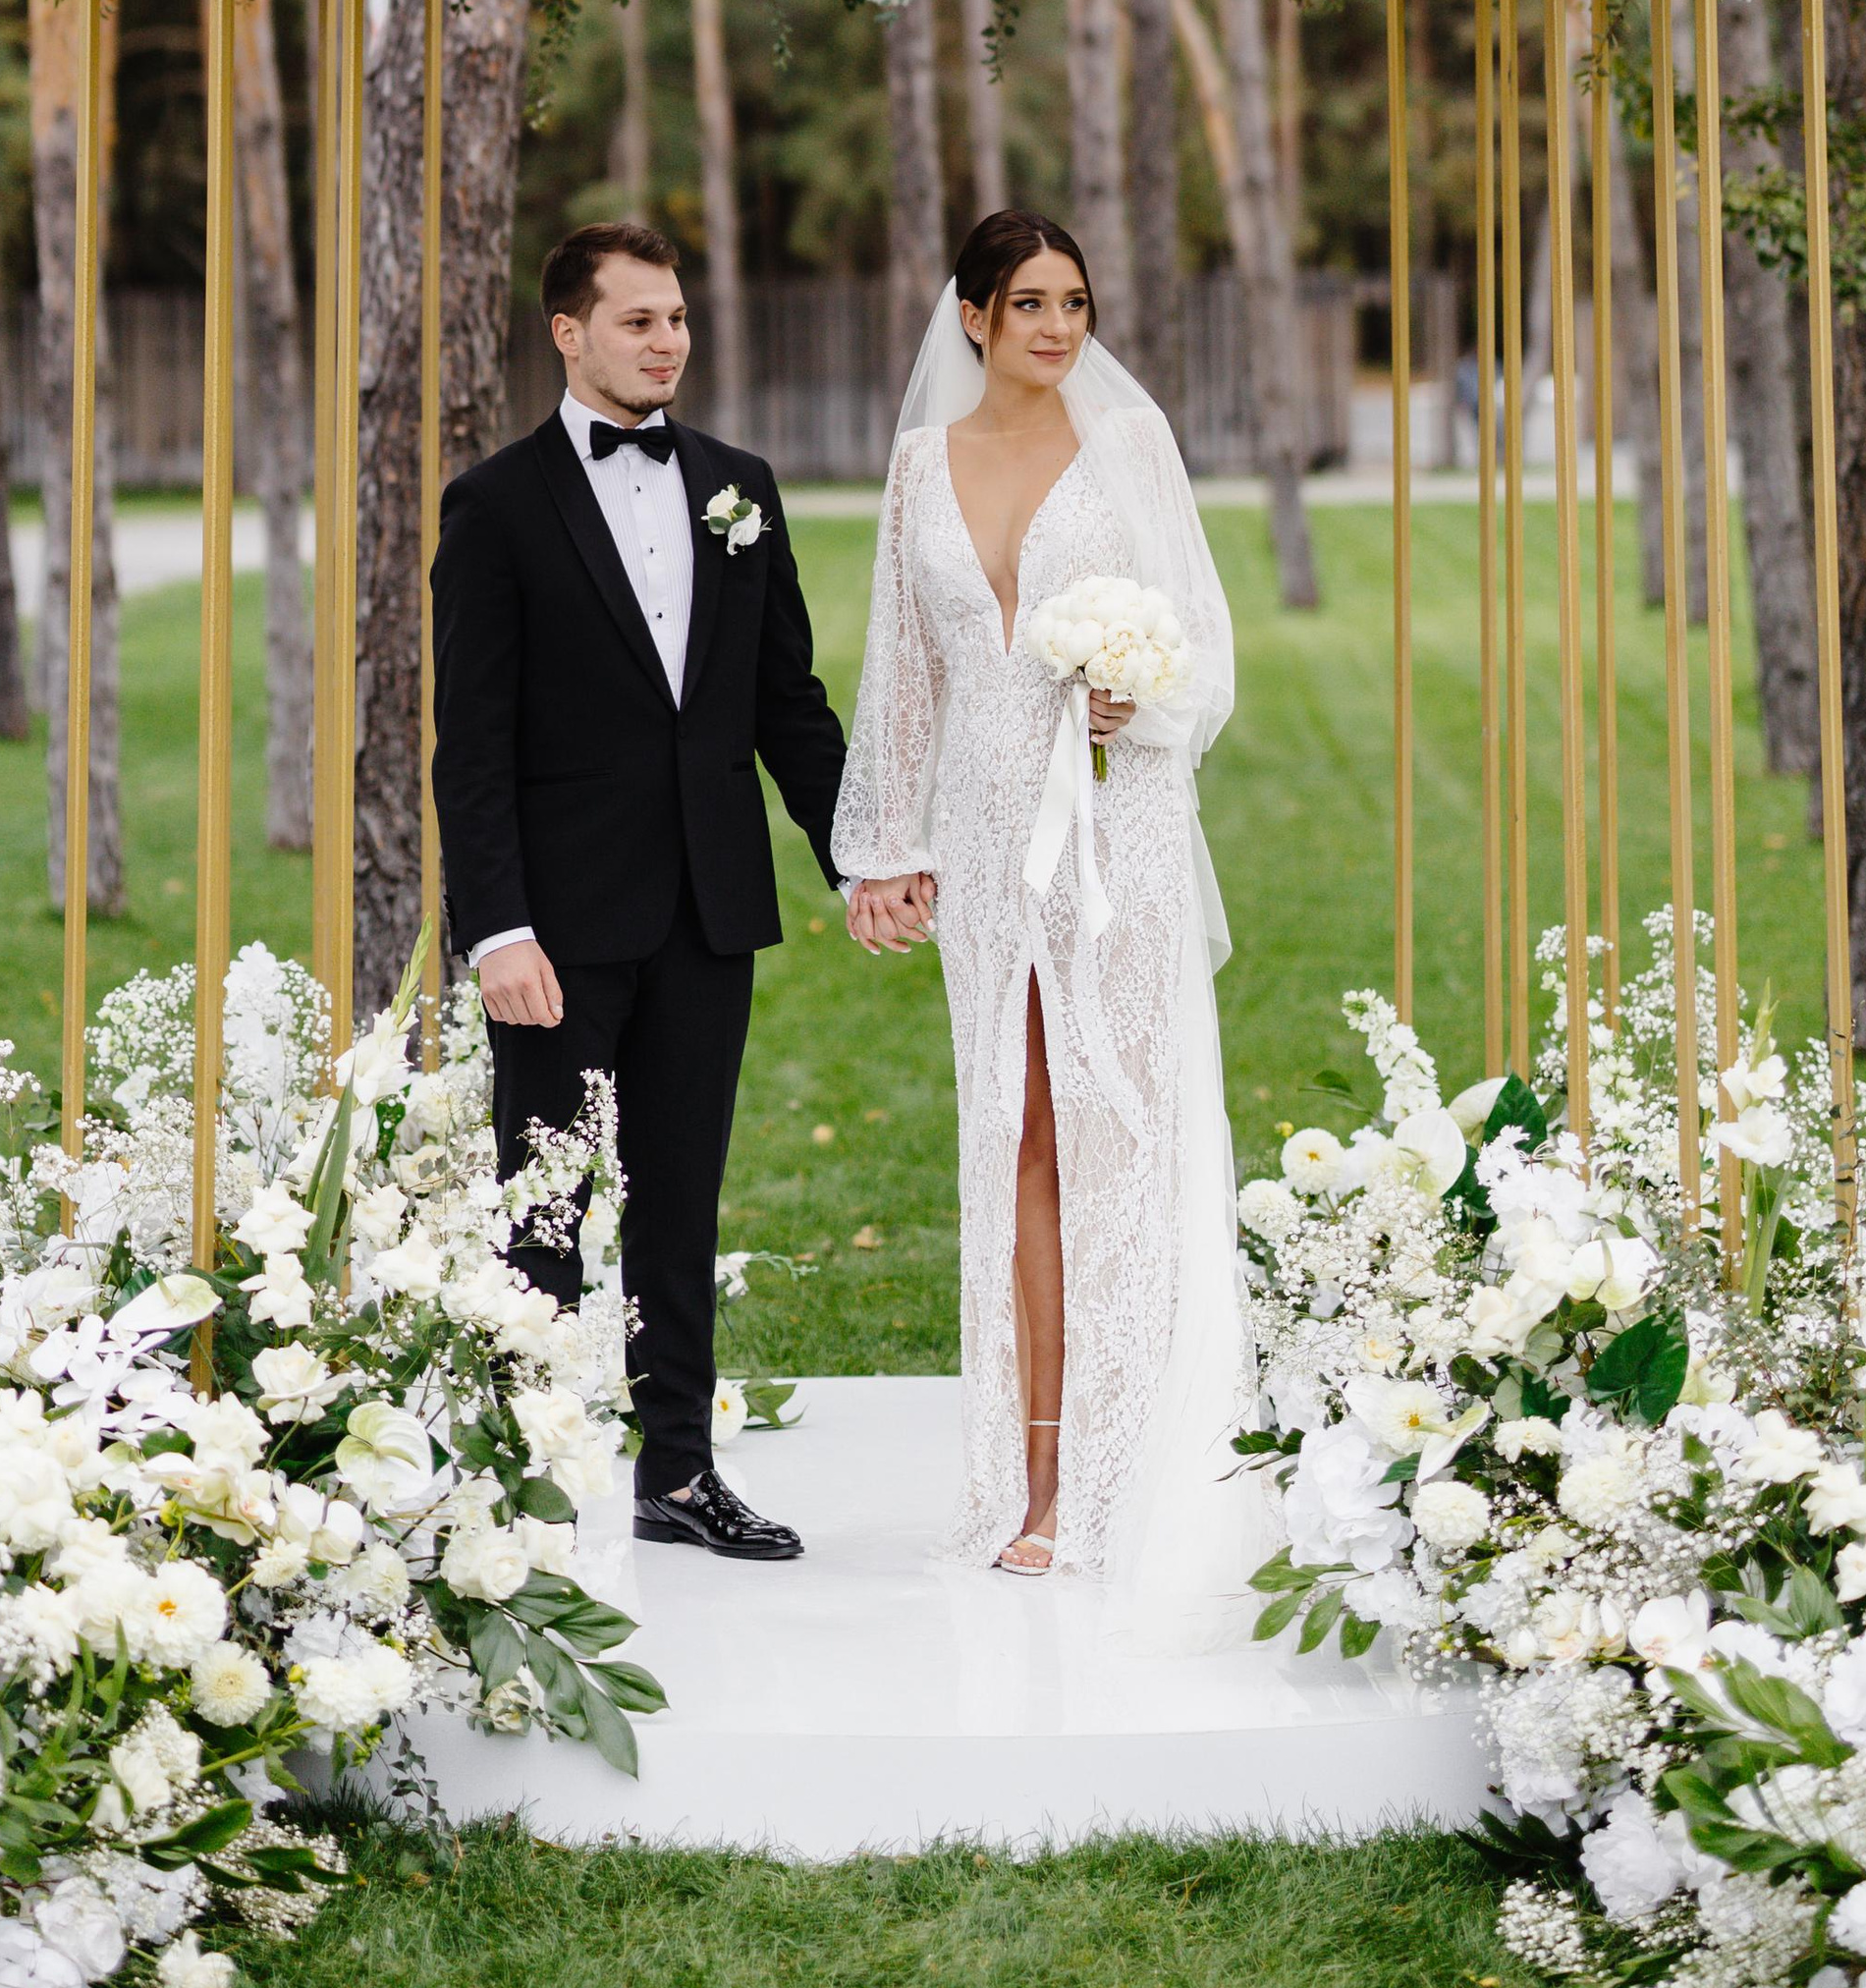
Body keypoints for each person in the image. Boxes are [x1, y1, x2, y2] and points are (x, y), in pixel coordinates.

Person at [835, 209, 1252, 1630]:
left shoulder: (1130, 450)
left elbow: (1200, 641)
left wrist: (1146, 701)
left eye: (1075, 300)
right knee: (1010, 1134)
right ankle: (1031, 1479)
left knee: (1112, 1129)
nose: (1059, 327)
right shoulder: (914, 474)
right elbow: (902, 666)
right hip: (977, 830)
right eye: (1028, 304)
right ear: (970, 317)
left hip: (1115, 829)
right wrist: (881, 848)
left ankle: (1123, 1474)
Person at [430, 218, 848, 1563]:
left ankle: (677, 1474)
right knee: (542, 1209)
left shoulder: (741, 485)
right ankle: (517, 1491)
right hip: (552, 927)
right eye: (638, 321)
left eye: (675, 318)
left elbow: (788, 704)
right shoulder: (495, 505)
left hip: (705, 909)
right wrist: (497, 927)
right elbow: (470, 743)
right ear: (568, 332)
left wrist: (860, 857)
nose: (667, 341)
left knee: (680, 1197)